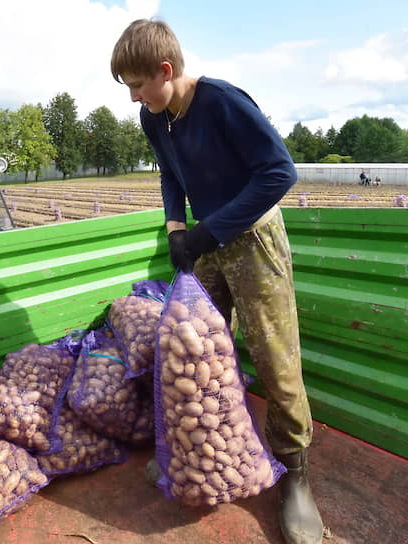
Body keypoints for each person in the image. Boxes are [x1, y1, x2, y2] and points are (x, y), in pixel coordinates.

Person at [111, 19, 323, 544]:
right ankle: (203, 450)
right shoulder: (153, 116)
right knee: (195, 347)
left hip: (253, 240)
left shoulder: (222, 102)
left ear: (166, 70)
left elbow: (279, 173)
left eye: (138, 85)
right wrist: (176, 227)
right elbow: (168, 171)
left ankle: (294, 473)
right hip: (204, 240)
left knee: (275, 356)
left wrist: (211, 231)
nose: (134, 97)